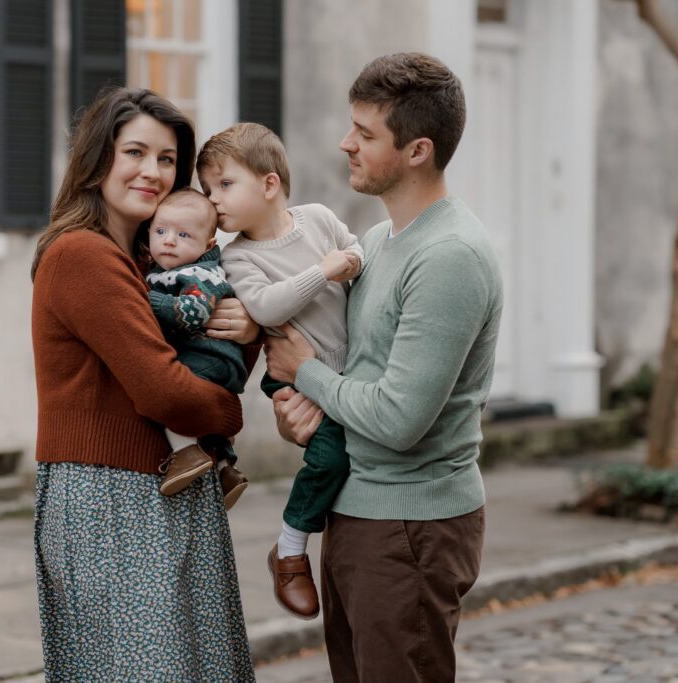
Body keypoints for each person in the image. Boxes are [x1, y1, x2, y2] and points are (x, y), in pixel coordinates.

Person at [265, 53, 504, 682]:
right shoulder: (374, 242)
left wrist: (307, 372)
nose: (346, 144)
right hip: (360, 511)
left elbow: (399, 418)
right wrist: (307, 417)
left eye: (366, 134)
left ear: (418, 150)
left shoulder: (449, 257)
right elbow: (358, 373)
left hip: (412, 526)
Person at [30, 87, 258, 682]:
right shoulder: (84, 255)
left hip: (150, 492)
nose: (152, 172)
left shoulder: (151, 263)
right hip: (109, 501)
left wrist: (245, 329)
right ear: (98, 158)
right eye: (135, 151)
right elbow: (167, 395)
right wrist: (228, 412)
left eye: (166, 160)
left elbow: (201, 358)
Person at [197, 122, 363, 620]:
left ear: (269, 184)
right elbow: (267, 308)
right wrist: (328, 270)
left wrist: (351, 257)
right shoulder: (238, 257)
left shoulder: (317, 218)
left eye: (224, 185)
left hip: (350, 368)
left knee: (359, 457)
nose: (213, 200)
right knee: (331, 459)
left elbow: (355, 248)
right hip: (296, 377)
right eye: (207, 189)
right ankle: (290, 550)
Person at [145, 187, 250, 508]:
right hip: (209, 356)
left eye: (183, 234)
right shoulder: (166, 272)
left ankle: (185, 452)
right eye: (160, 231)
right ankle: (224, 469)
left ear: (208, 245)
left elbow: (193, 314)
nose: (169, 240)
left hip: (212, 357)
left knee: (163, 388)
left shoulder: (202, 274)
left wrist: (148, 300)